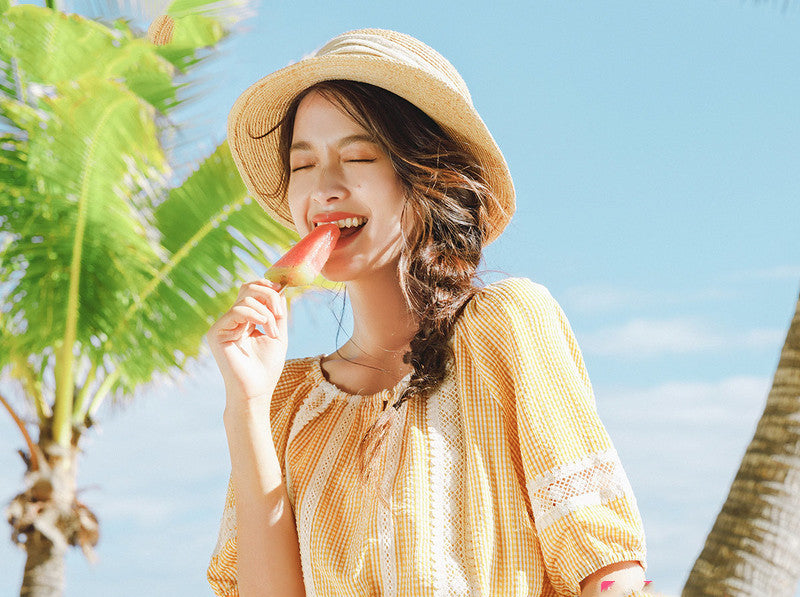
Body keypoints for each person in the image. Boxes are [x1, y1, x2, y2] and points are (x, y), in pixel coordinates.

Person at [206, 28, 647, 597]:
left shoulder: (506, 324)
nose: (324, 188)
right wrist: (246, 405)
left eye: (359, 155)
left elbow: (603, 564)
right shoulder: (286, 402)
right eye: (303, 164)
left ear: (426, 175)